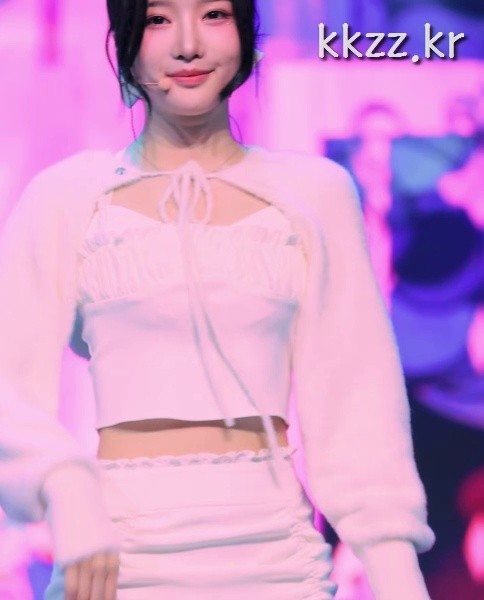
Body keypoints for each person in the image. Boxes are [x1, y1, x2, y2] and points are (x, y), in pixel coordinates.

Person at [0, 0, 436, 598]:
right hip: (117, 558)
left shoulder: (315, 192)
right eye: (158, 19)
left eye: (213, 15)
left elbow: (357, 400)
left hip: (278, 559)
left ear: (245, 31)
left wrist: (396, 571)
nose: (188, 44)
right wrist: (65, 488)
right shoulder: (66, 196)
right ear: (124, 39)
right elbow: (8, 385)